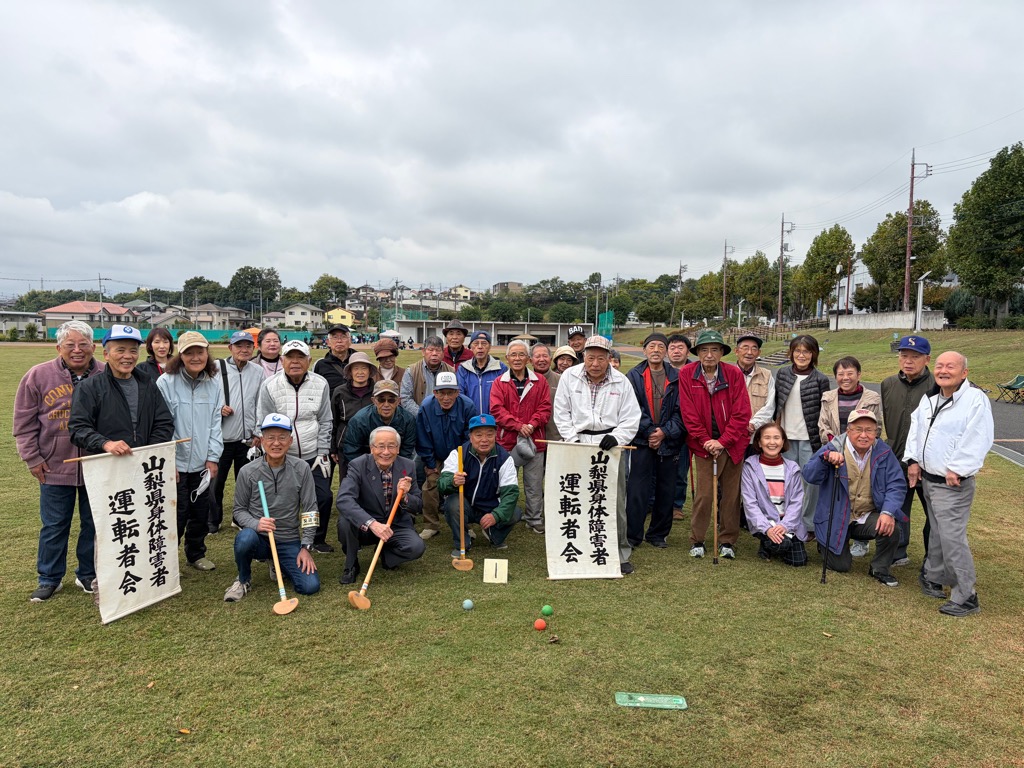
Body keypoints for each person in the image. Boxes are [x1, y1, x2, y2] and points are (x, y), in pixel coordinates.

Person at [68, 325, 175, 596]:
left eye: (132, 350)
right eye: (120, 350)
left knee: (140, 520)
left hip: (142, 468)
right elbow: (78, 429)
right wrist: (105, 443)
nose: (127, 356)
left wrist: (146, 451)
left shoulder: (147, 384)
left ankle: (140, 575)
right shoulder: (91, 387)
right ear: (106, 353)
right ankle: (99, 579)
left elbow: (164, 422)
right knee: (105, 525)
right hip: (107, 470)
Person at [15, 320, 104, 602]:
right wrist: (32, 458)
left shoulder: (106, 373)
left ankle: (87, 574)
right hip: (54, 464)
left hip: (97, 464)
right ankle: (49, 578)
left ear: (93, 346)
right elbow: (24, 423)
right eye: (70, 345)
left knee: (94, 523)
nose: (77, 350)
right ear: (59, 348)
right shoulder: (38, 376)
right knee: (54, 525)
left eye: (83, 344)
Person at [905, 352, 993, 617]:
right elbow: (916, 431)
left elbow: (979, 435)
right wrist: (913, 460)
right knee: (937, 533)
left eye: (950, 367)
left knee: (952, 538)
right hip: (929, 479)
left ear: (964, 372)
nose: (943, 371)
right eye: (940, 366)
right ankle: (933, 576)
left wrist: (959, 467)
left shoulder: (974, 400)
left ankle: (966, 595)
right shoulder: (930, 401)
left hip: (952, 483)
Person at [553, 336, 641, 574]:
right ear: (583, 357)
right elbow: (561, 411)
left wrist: (619, 437)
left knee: (613, 500)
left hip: (610, 446)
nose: (595, 363)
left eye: (601, 358)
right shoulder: (570, 377)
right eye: (590, 357)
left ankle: (620, 552)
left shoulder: (621, 382)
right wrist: (573, 440)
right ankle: (579, 548)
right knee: (577, 499)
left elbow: (632, 417)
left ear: (608, 359)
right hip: (577, 443)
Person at [224, 413, 320, 602]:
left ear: (290, 440)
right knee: (245, 538)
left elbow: (311, 509)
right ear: (261, 440)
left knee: (310, 586)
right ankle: (243, 578)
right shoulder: (248, 471)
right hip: (258, 538)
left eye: (282, 437)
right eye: (270, 437)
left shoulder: (302, 469)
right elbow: (239, 510)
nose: (276, 443)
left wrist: (306, 546)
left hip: (288, 539)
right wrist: (256, 524)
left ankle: (279, 564)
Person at [804, 409, 905, 586]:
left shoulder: (884, 452)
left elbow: (896, 485)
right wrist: (824, 459)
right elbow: (809, 475)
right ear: (848, 431)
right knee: (841, 565)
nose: (864, 435)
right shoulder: (833, 447)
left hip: (866, 515)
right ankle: (824, 544)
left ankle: (879, 568)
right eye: (858, 429)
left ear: (876, 432)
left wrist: (888, 512)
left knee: (892, 527)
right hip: (835, 516)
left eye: (869, 430)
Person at [678, 330, 752, 560]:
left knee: (731, 495)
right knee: (704, 495)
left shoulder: (733, 374)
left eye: (714, 350)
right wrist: (706, 441)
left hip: (732, 444)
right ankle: (697, 539)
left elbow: (742, 413)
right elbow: (688, 413)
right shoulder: (688, 373)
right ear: (697, 352)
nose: (709, 355)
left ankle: (727, 541)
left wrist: (723, 441)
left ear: (722, 352)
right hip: (703, 445)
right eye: (704, 350)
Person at [256, 339, 334, 553]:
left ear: (309, 360)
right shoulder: (270, 385)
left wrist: (323, 452)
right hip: (282, 456)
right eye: (290, 357)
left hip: (312, 454)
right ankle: (279, 541)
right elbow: (264, 423)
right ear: (282, 360)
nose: (295, 362)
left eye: (301, 357)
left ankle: (316, 539)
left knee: (323, 497)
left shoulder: (321, 383)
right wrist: (271, 454)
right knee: (278, 500)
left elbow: (326, 420)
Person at [156, 331, 224, 571]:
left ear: (207, 353)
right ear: (180, 355)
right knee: (177, 512)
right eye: (189, 353)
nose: (196, 357)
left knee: (200, 510)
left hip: (202, 463)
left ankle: (195, 553)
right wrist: (169, 460)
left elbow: (216, 422)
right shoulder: (165, 382)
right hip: (175, 463)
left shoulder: (214, 383)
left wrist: (213, 457)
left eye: (200, 352)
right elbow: (162, 425)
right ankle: (167, 559)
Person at [336, 426, 425, 584]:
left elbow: (418, 505)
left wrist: (404, 496)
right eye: (380, 446)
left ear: (398, 449)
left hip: (394, 524)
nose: (386, 452)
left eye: (391, 446)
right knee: (345, 522)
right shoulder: (358, 465)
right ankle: (351, 564)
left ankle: (387, 555)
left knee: (416, 547)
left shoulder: (408, 466)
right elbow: (344, 499)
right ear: (372, 448)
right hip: (366, 524)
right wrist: (372, 523)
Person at [625, 332, 684, 548]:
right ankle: (633, 535)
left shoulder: (677, 377)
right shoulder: (633, 375)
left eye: (661, 346)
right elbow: (631, 408)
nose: (656, 350)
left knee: (666, 490)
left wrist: (664, 433)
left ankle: (658, 534)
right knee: (637, 490)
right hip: (641, 441)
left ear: (667, 351)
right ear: (645, 350)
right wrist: (650, 431)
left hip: (669, 442)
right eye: (652, 346)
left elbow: (682, 411)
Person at [880, 335, 935, 567]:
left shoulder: (937, 386)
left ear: (927, 359)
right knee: (899, 508)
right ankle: (898, 552)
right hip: (896, 459)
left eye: (915, 357)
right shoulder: (888, 384)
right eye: (904, 356)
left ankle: (933, 557)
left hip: (929, 462)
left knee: (933, 512)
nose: (908, 361)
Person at [490, 339, 552, 535]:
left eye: (521, 355)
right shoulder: (500, 382)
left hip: (535, 440)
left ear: (528, 359)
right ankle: (504, 515)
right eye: (513, 355)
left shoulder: (539, 381)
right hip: (507, 440)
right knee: (507, 482)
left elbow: (545, 408)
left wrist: (532, 424)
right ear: (507, 358)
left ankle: (534, 518)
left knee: (534, 483)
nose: (517, 358)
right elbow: (496, 410)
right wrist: (518, 426)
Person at [438, 414, 521, 557]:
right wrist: (452, 481)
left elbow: (511, 494)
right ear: (470, 437)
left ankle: (493, 534)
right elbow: (441, 484)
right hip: (466, 505)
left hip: (491, 506)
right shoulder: (458, 454)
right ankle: (462, 543)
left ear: (495, 435)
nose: (484, 440)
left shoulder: (505, 459)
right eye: (478, 435)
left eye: (489, 435)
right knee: (452, 503)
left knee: (515, 512)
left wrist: (496, 515)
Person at [774, 334, 831, 538]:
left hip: (809, 439)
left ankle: (808, 525)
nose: (801, 355)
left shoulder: (821, 379)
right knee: (788, 482)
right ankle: (788, 522)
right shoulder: (782, 374)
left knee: (811, 483)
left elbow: (824, 411)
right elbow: (776, 406)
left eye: (806, 351)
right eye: (797, 351)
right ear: (791, 353)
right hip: (786, 439)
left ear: (813, 354)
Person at [210, 330, 264, 534]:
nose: (244, 350)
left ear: (253, 348)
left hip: (248, 439)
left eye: (248, 346)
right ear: (230, 348)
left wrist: (258, 431)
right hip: (221, 438)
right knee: (216, 482)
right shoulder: (216, 368)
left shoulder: (257, 371)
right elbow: (207, 399)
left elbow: (261, 403)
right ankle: (212, 521)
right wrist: (219, 408)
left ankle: (240, 518)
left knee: (246, 482)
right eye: (239, 346)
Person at [415, 371, 475, 540]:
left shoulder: (468, 406)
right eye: (442, 393)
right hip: (436, 454)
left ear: (457, 392)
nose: (446, 397)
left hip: (460, 454)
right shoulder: (426, 407)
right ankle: (431, 525)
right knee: (430, 485)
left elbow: (469, 435)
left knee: (465, 484)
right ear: (435, 393)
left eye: (450, 393)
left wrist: (463, 460)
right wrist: (429, 462)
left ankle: (467, 525)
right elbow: (423, 436)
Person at [740, 423, 807, 566]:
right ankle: (766, 543)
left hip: (786, 522)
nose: (772, 442)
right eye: (767, 438)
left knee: (798, 561)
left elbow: (797, 502)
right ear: (759, 442)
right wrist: (767, 528)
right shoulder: (749, 466)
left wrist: (784, 525)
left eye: (777, 438)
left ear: (783, 442)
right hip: (765, 522)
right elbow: (750, 503)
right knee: (782, 544)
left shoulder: (793, 468)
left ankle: (776, 543)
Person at [343, 379, 417, 464]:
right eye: (381, 400)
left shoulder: (408, 420)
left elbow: (407, 450)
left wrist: (394, 470)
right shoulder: (359, 420)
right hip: (365, 465)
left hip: (396, 465)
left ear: (398, 401)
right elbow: (352, 451)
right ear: (374, 401)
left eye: (391, 400)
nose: (386, 405)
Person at [330, 351, 379, 476]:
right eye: (356, 368)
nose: (360, 372)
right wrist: (333, 448)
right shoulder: (339, 392)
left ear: (369, 371)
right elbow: (333, 422)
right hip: (346, 446)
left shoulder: (377, 391)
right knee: (349, 481)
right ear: (350, 372)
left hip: (373, 445)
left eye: (364, 368)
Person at [668, 333, 694, 520]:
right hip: (664, 426)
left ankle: (677, 504)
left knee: (680, 468)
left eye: (680, 348)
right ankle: (653, 502)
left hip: (687, 428)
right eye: (672, 348)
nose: (676, 352)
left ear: (687, 351)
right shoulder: (661, 370)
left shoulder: (695, 371)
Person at [734, 334, 775, 445]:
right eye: (745, 348)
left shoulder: (766, 375)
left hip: (758, 436)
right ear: (736, 351)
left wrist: (753, 424)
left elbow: (770, 405)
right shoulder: (727, 374)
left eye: (754, 348)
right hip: (733, 436)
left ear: (759, 353)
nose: (749, 352)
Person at [400, 336, 453, 418]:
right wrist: (422, 414)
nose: (434, 354)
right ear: (423, 352)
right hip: (419, 420)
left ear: (443, 353)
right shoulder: (411, 371)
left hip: (445, 419)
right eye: (430, 350)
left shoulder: (451, 371)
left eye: (438, 350)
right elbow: (405, 398)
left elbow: (455, 395)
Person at [456, 330, 507, 416]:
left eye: (484, 343)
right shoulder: (463, 369)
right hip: (470, 420)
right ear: (470, 347)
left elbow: (506, 396)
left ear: (490, 347)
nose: (480, 347)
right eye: (476, 343)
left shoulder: (501, 368)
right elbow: (460, 395)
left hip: (495, 421)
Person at [530, 343, 562, 443]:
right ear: (530, 360)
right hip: (532, 438)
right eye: (537, 356)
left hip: (555, 438)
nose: (542, 359)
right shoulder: (525, 380)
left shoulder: (561, 380)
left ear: (551, 359)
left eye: (545, 356)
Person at [314, 324, 354, 394]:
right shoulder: (320, 365)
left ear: (350, 341)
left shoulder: (359, 361)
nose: (339, 341)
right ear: (328, 342)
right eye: (335, 337)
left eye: (343, 337)